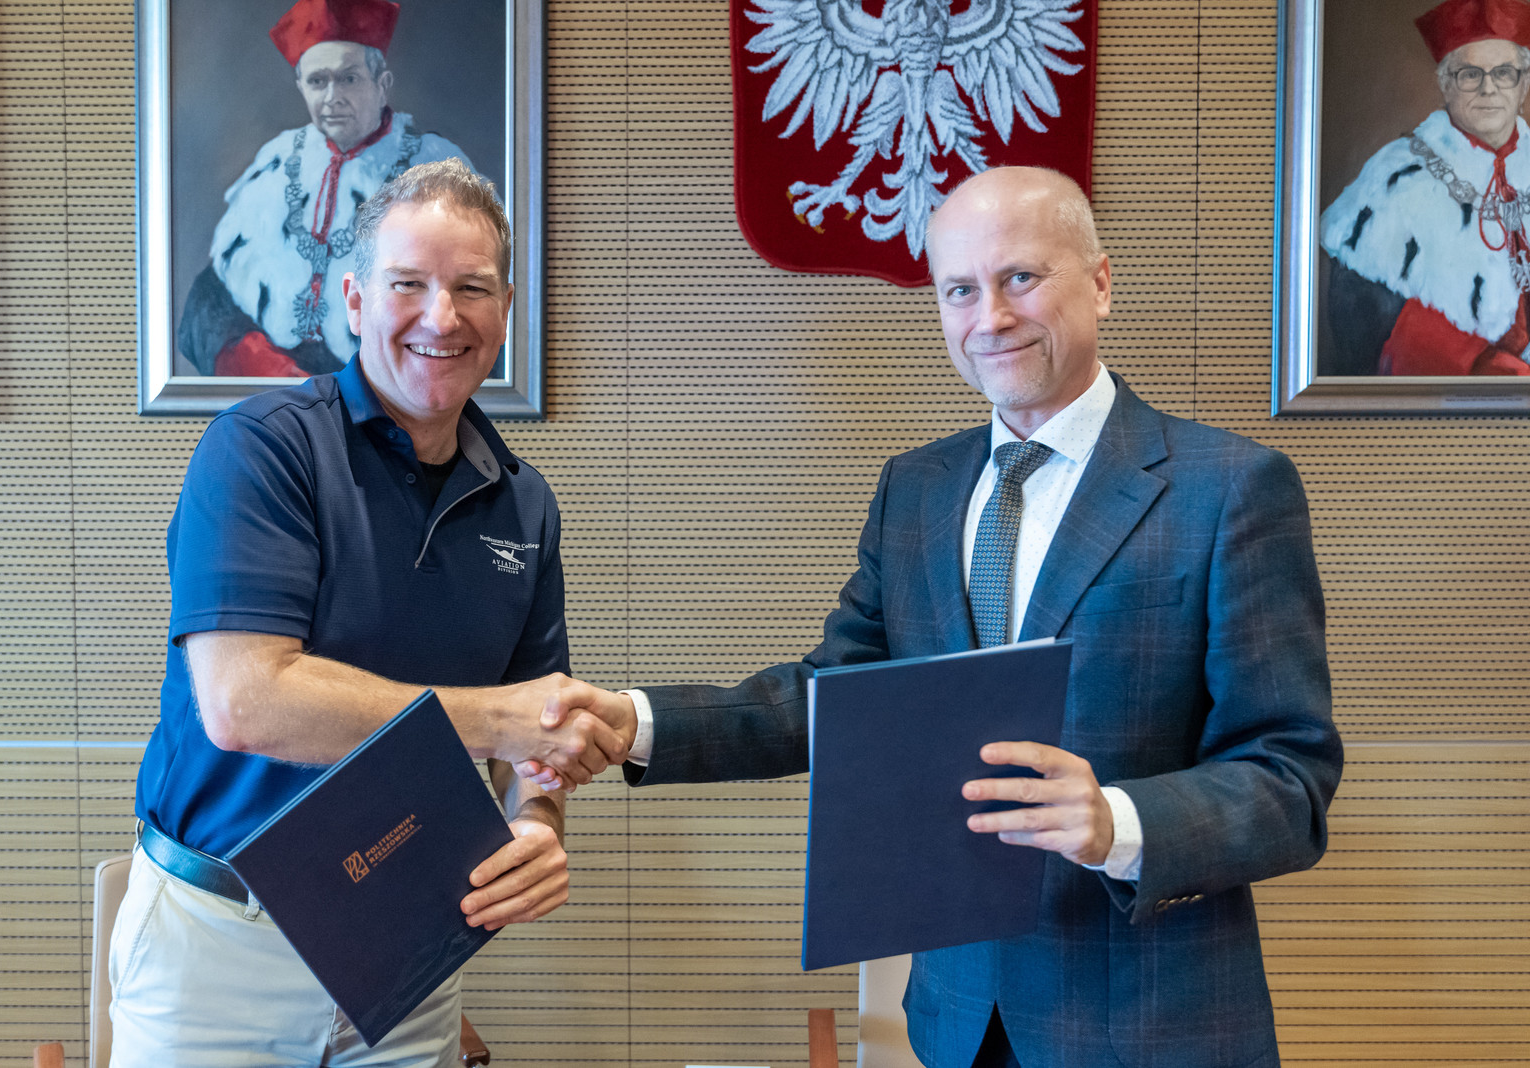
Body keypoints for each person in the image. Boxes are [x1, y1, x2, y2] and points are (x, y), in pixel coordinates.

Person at [531, 167, 1343, 1067]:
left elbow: (1290, 780)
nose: (989, 317)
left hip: (1153, 1027)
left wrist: (1117, 821)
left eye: (1020, 277)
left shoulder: (1230, 489)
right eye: (960, 289)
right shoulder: (916, 490)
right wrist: (636, 723)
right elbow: (834, 698)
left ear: (1101, 283)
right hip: (960, 1020)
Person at [109, 159, 632, 1066]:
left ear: (506, 309)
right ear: (353, 300)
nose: (442, 317)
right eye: (408, 284)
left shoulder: (526, 504)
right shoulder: (261, 450)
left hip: (409, 942)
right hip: (220, 945)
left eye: (473, 288)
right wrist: (498, 722)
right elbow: (245, 703)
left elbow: (537, 729)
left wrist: (537, 822)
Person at [177, 0, 473, 378]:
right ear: (301, 87)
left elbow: (470, 300)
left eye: (348, 78)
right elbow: (211, 302)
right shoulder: (275, 162)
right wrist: (260, 364)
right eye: (318, 81)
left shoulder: (436, 167)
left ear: (382, 85)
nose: (332, 97)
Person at [1319, 0, 1530, 375]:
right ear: (1446, 84)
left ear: (1524, 84)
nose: (1489, 88)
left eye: (1504, 73)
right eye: (1470, 74)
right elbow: (1362, 333)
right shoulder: (1396, 176)